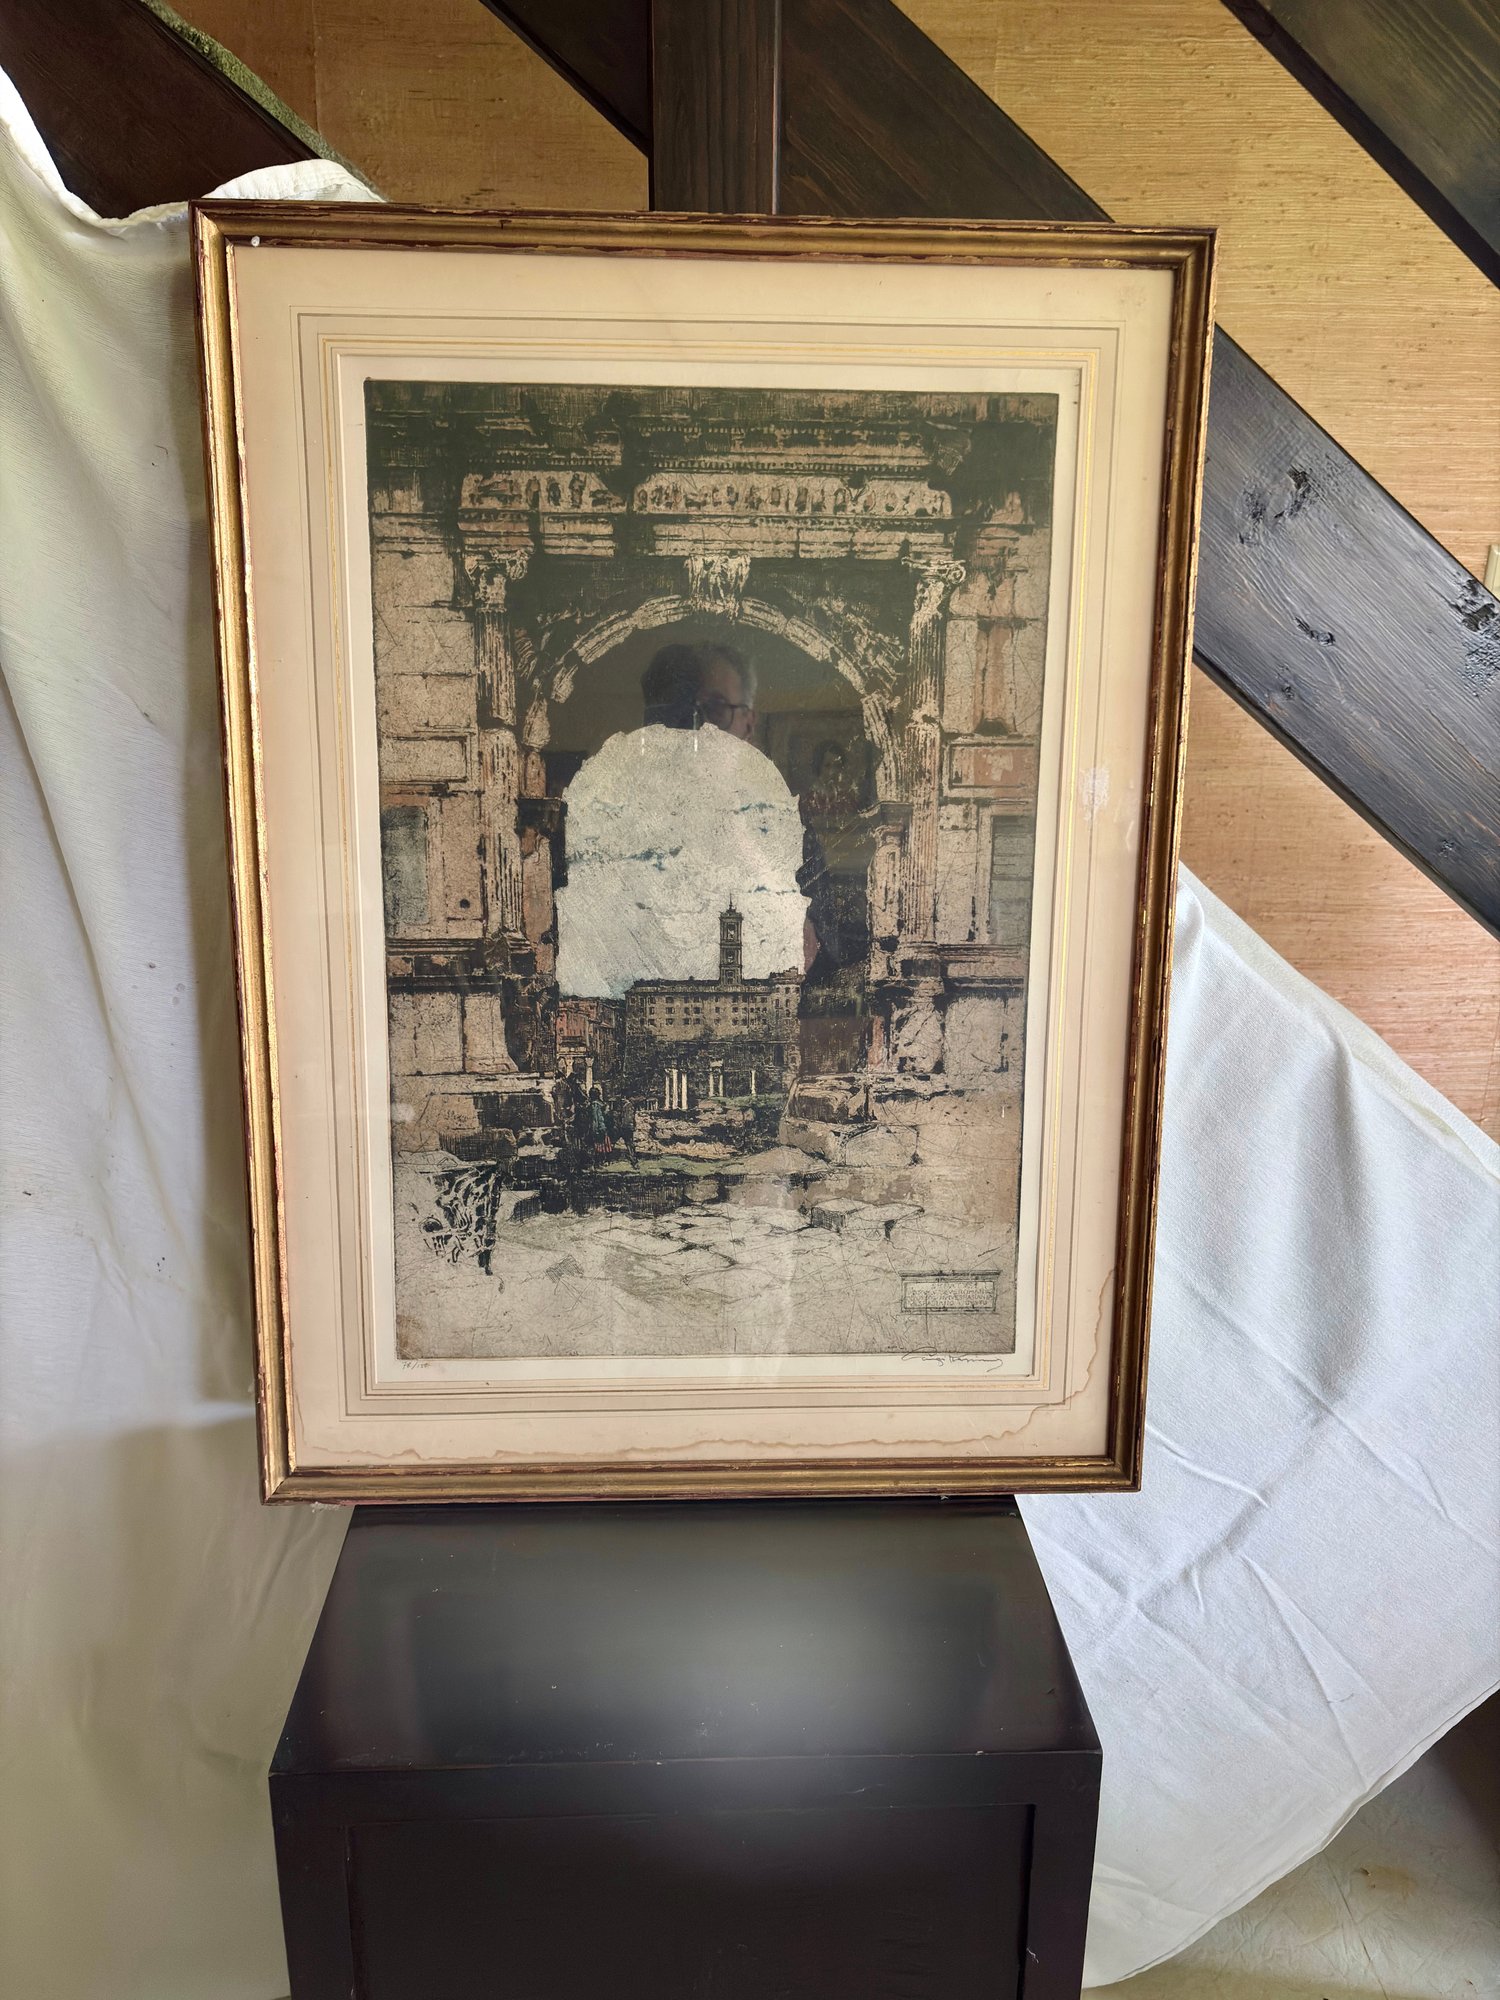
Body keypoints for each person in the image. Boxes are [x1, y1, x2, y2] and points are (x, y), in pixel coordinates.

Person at [553, 639, 810, 998]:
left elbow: (815, 948)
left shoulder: (781, 822)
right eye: (678, 710)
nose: (695, 727)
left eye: (714, 709)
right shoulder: (601, 818)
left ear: (748, 722)